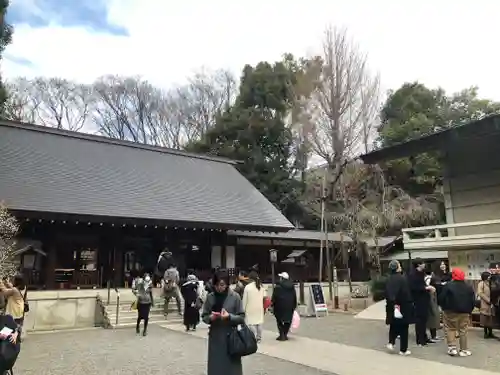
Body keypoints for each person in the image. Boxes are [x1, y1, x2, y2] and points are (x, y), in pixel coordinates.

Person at [202, 269, 245, 375]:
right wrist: (211, 318)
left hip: (231, 338)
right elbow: (204, 316)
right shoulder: (210, 297)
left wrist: (229, 317)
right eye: (216, 285)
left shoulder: (235, 297)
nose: (219, 288)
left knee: (231, 368)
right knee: (216, 368)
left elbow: (242, 317)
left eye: (222, 285)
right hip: (215, 338)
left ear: (227, 284)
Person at [438, 268, 475, 357]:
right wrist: (469, 310)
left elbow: (441, 298)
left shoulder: (448, 285)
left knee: (450, 328)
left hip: (450, 311)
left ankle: (452, 348)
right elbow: (473, 300)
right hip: (465, 312)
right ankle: (464, 350)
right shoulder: (468, 286)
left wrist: (443, 307)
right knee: (463, 330)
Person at [385, 260, 413, 356]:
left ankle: (391, 342)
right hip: (402, 306)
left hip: (392, 306)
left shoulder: (389, 279)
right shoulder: (402, 279)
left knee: (394, 325)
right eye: (399, 265)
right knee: (404, 327)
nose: (400, 267)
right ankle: (403, 349)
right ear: (397, 267)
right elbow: (406, 294)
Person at [408, 258, 434, 347]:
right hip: (418, 300)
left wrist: (428, 287)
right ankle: (420, 340)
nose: (424, 265)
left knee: (424, 319)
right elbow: (414, 287)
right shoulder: (413, 275)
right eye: (423, 263)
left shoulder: (421, 273)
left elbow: (422, 284)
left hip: (424, 299)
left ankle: (425, 337)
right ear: (418, 264)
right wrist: (426, 288)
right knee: (419, 320)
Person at [271, 272, 297, 341]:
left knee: (279, 320)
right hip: (289, 306)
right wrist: (294, 305)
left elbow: (274, 297)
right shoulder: (292, 286)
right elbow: (294, 296)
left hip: (279, 306)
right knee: (288, 321)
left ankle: (282, 334)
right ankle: (285, 334)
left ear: (282, 278)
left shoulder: (278, 286)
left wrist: (272, 304)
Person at [0, 275, 27, 342]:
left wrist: (0, 283)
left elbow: (5, 292)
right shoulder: (23, 288)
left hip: (13, 311)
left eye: (14, 279)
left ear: (17, 281)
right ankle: (17, 338)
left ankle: (5, 342)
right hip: (19, 311)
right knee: (16, 326)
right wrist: (7, 283)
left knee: (7, 327)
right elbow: (13, 288)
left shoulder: (14, 290)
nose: (13, 280)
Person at [242, 270, 266, 342]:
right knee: (259, 322)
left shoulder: (248, 287)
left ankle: (254, 336)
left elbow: (244, 300)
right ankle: (259, 337)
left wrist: (243, 309)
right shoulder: (261, 286)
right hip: (259, 307)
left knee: (251, 323)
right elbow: (264, 297)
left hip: (250, 308)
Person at [478, 271, 495, 339]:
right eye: (488, 276)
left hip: (492, 304)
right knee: (485, 319)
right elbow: (480, 293)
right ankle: (485, 333)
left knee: (491, 319)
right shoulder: (481, 284)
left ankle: (490, 333)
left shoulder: (492, 283)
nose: (490, 277)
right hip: (485, 304)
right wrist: (488, 300)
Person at [426, 271, 441, 342]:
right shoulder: (431, 290)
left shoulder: (433, 289)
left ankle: (434, 336)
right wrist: (434, 310)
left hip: (433, 307)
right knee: (432, 322)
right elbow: (431, 301)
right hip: (431, 308)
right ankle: (433, 337)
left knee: (433, 322)